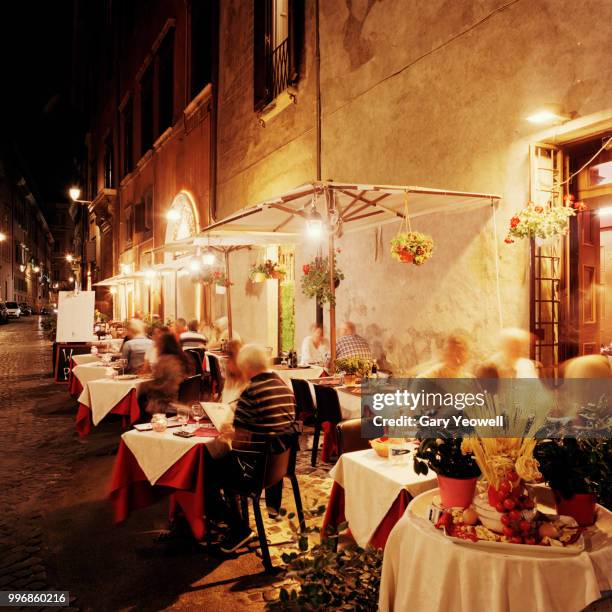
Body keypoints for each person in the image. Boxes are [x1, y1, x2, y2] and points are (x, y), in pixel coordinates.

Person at [206, 344, 297, 553]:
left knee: (204, 467)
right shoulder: (284, 388)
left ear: (247, 367)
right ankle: (236, 520)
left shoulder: (251, 393)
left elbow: (241, 444)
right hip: (278, 467)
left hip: (253, 471)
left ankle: (238, 527)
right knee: (217, 462)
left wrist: (229, 433)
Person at [138, 332, 193, 410]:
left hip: (166, 403)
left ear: (162, 345)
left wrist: (144, 385)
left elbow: (164, 387)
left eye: (158, 344)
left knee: (140, 397)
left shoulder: (164, 361)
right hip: (183, 401)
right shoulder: (182, 358)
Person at [220, 339, 246, 405]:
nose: (227, 362)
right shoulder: (229, 380)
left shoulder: (247, 386)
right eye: (228, 357)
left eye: (231, 358)